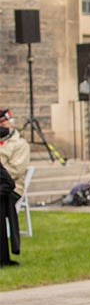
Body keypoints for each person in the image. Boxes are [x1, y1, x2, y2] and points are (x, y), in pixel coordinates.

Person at [0, 108, 30, 266]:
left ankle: (3, 256)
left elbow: (15, 171)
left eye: (5, 123)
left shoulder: (20, 144)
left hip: (12, 189)